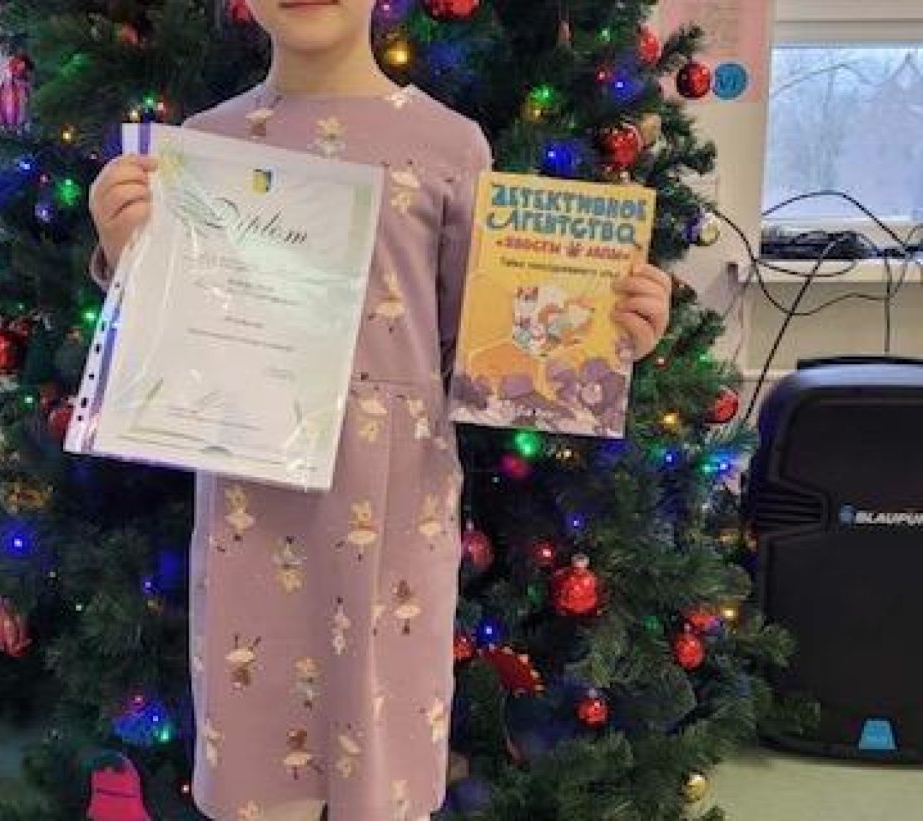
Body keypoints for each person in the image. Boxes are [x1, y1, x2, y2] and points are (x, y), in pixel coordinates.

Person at [88, 3, 672, 819]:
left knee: (384, 771)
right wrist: (129, 254)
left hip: (395, 515)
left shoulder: (449, 145)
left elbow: (489, 343)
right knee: (258, 770)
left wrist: (608, 334)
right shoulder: (204, 145)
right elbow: (174, 351)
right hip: (251, 516)